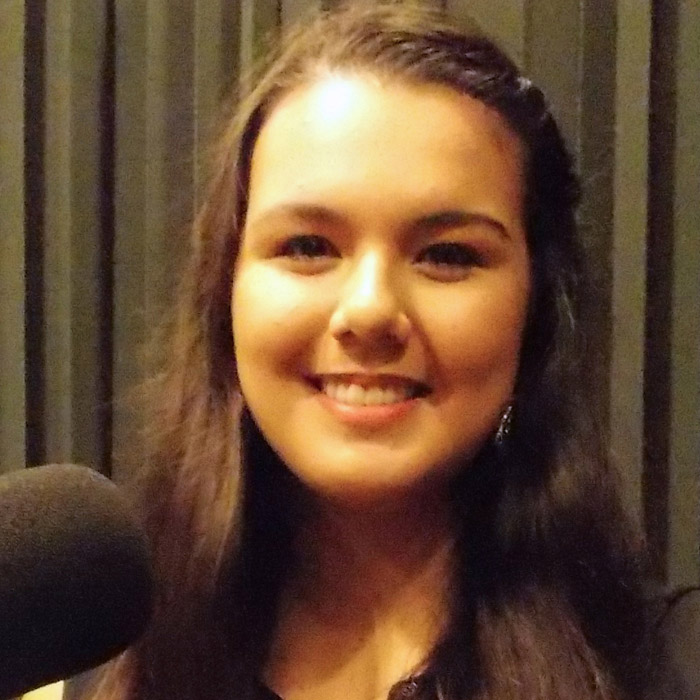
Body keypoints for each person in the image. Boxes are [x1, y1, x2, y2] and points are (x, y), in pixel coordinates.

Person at [64, 3, 696, 700]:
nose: (369, 310)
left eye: (447, 256)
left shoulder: (666, 667)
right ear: (226, 298)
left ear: (535, 313)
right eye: (307, 247)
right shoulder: (96, 681)